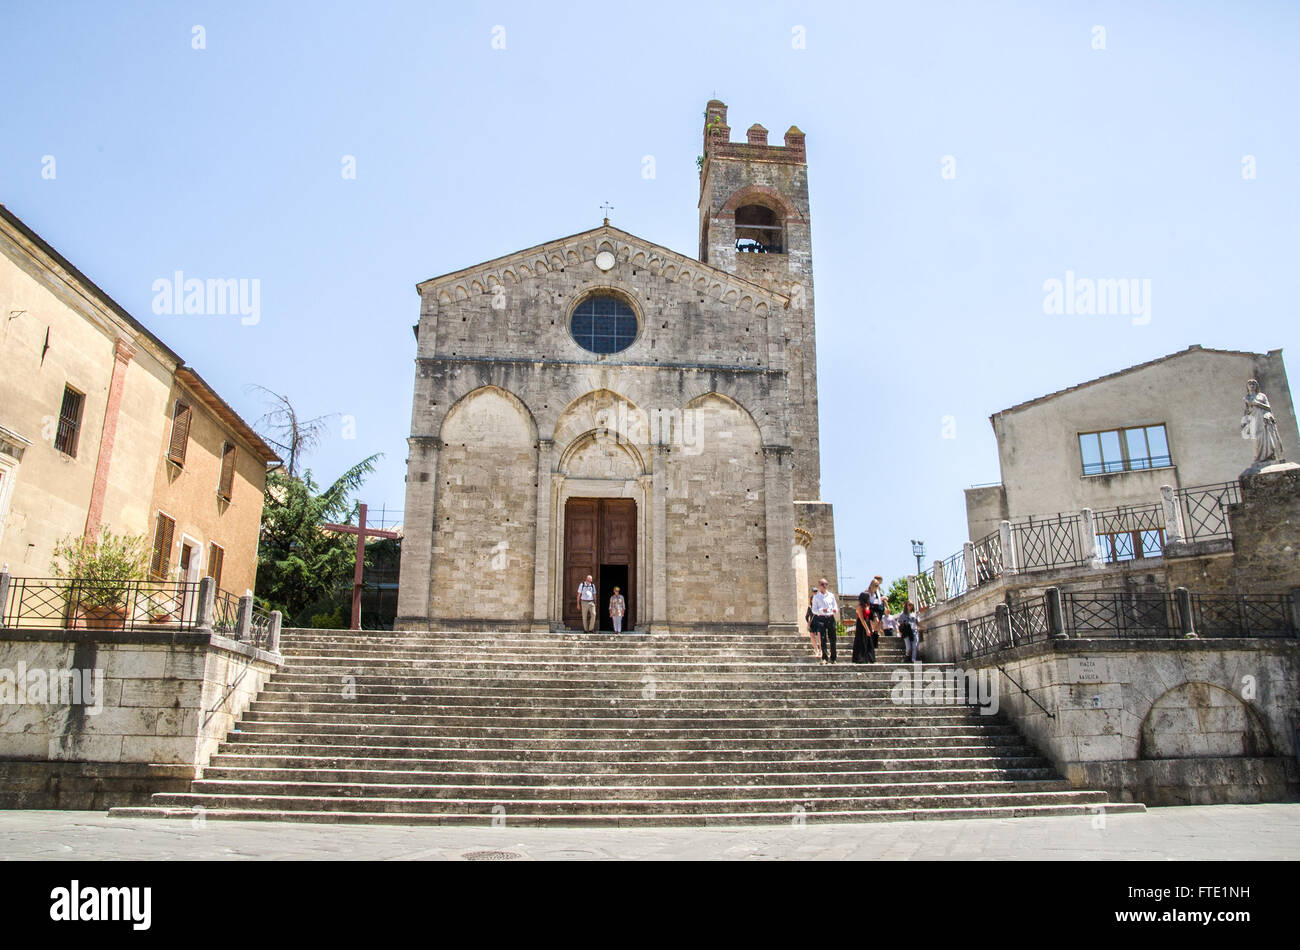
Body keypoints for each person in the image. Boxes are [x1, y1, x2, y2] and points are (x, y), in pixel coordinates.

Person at [811, 578, 839, 664]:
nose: (825, 586)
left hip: (830, 617)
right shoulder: (816, 597)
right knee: (823, 639)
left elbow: (835, 607)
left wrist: (834, 610)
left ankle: (833, 658)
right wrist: (822, 610)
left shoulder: (831, 595)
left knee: (833, 638)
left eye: (826, 584)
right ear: (819, 586)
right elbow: (814, 610)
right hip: (821, 618)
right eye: (823, 584)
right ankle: (824, 658)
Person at [852, 592, 875, 663]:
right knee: (861, 641)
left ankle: (869, 658)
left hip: (867, 623)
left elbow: (870, 617)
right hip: (861, 625)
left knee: (869, 641)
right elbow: (861, 619)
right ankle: (860, 658)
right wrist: (867, 629)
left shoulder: (868, 606)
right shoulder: (859, 607)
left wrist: (872, 627)